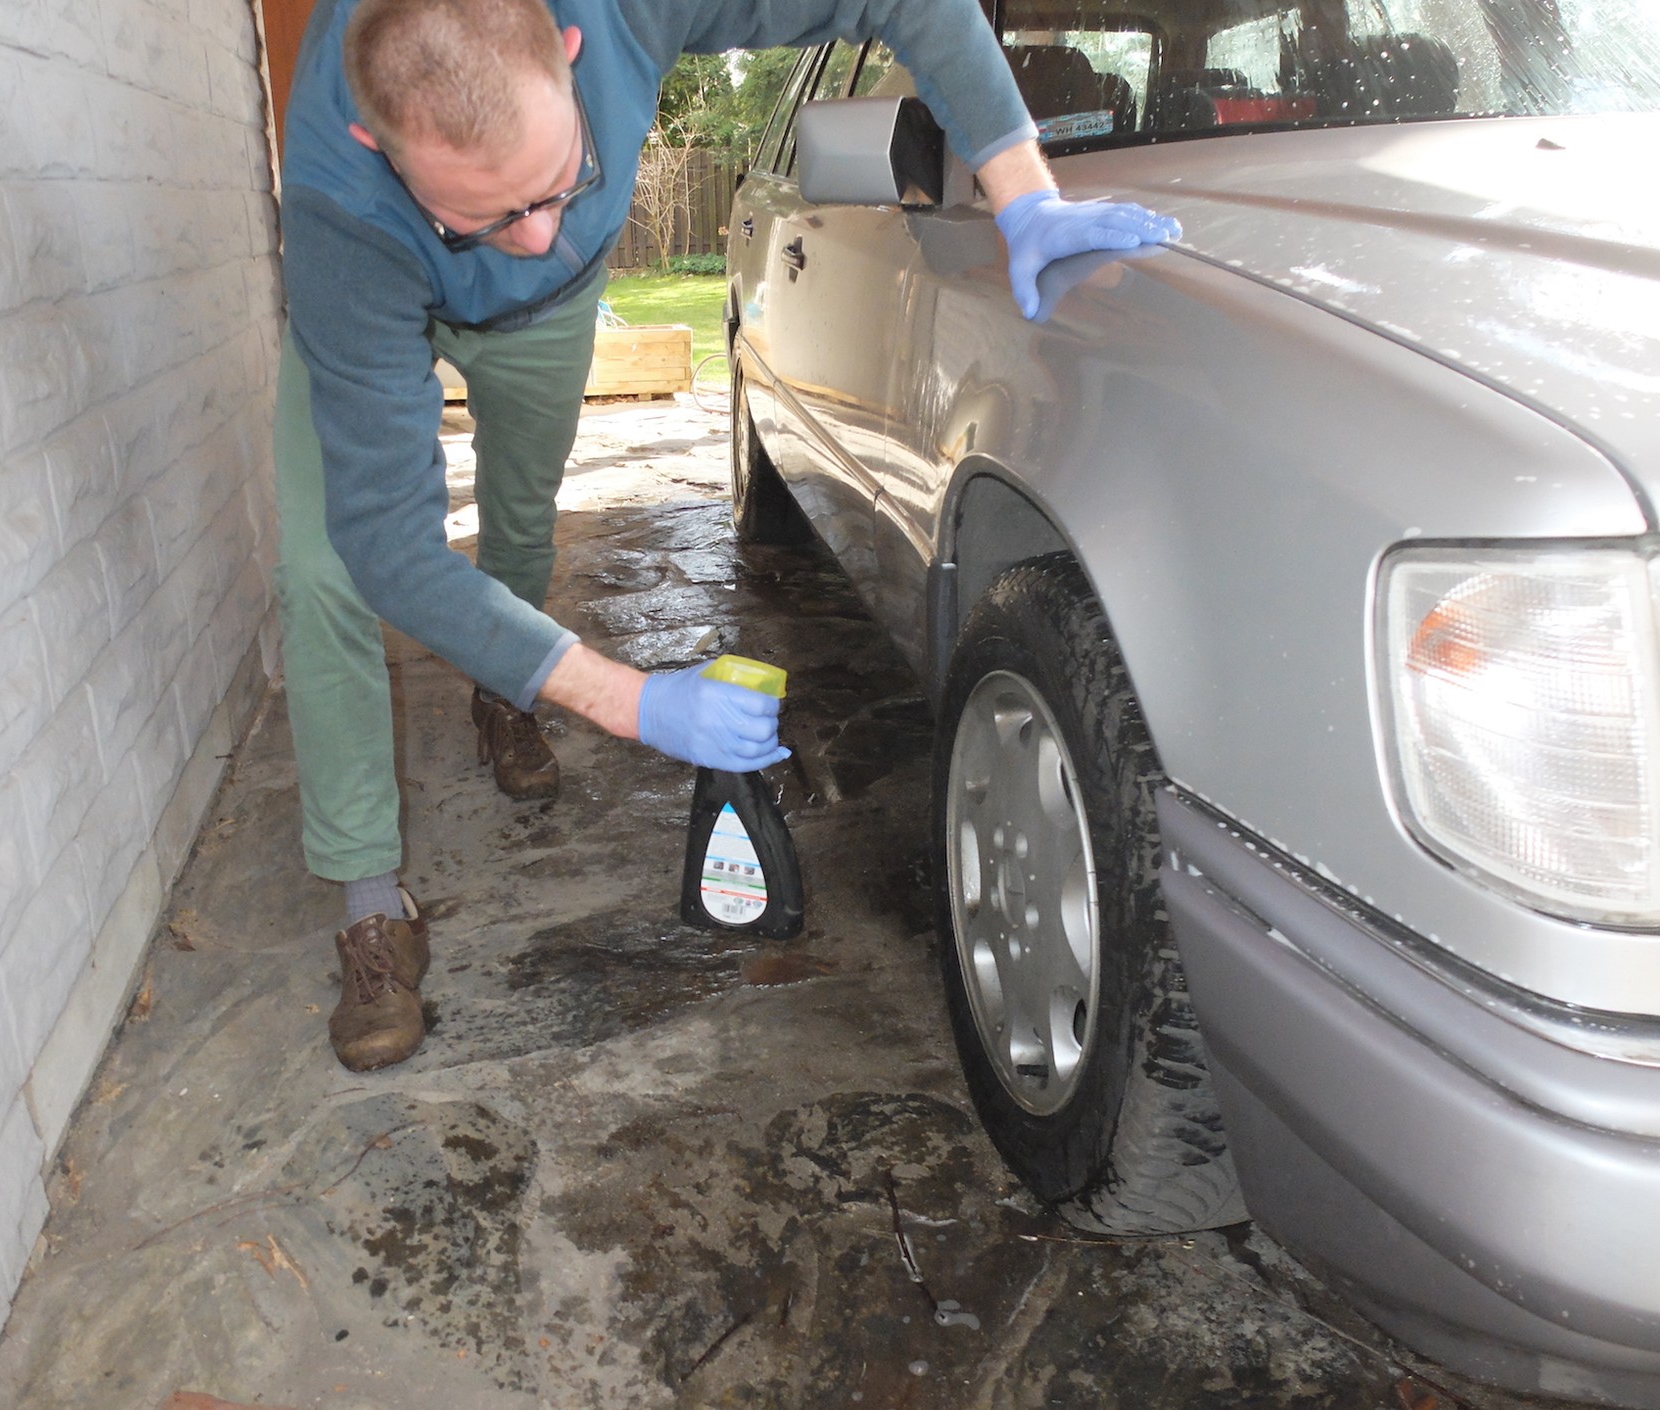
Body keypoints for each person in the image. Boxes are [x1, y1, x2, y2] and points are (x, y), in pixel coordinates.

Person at [275, 0, 1180, 1072]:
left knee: (520, 520)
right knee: (327, 567)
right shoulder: (341, 205)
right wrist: (636, 703)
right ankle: (370, 899)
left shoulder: (621, 12)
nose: (532, 238)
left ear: (571, 55)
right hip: (377, 300)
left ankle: (504, 688)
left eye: (558, 184)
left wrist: (1019, 187)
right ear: (379, 147)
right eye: (478, 217)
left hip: (550, 325)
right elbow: (393, 548)